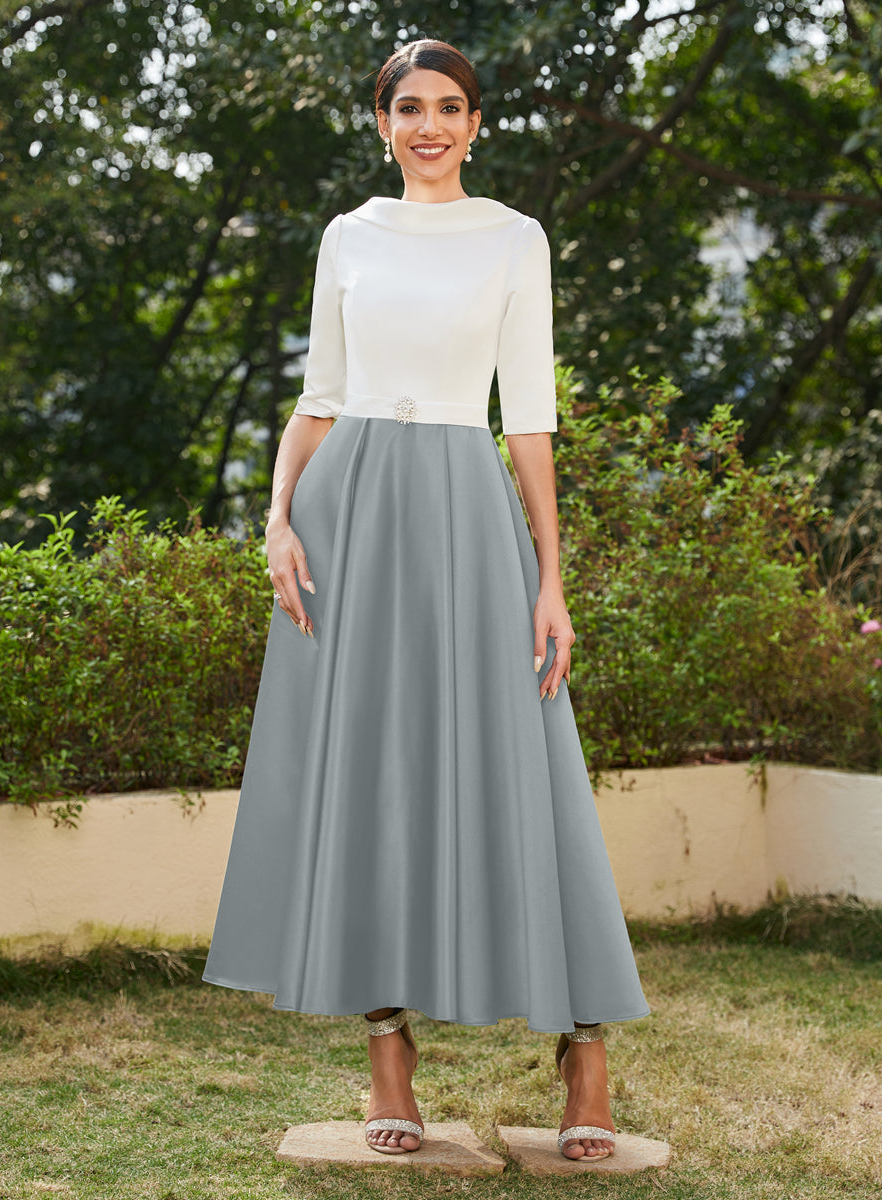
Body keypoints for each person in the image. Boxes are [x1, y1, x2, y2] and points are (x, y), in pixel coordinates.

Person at [202, 38, 649, 1163]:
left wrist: (551, 578)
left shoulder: (514, 237)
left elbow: (529, 418)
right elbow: (319, 396)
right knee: (372, 774)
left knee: (525, 755)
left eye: (450, 106)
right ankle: (388, 1051)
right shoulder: (348, 235)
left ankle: (584, 1049)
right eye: (410, 107)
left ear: (477, 124)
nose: (430, 125)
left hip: (465, 509)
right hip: (347, 518)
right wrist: (277, 518)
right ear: (383, 123)